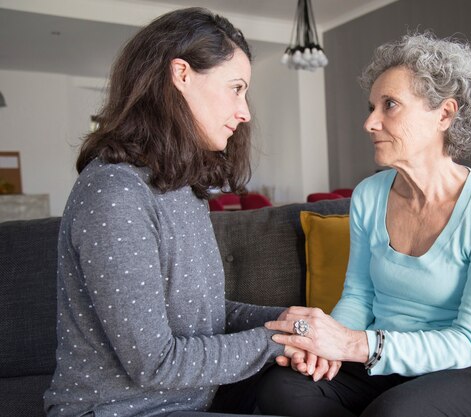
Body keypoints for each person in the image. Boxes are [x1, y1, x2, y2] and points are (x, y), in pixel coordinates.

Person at [43, 7, 322, 417]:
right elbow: (155, 362)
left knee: (319, 392)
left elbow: (203, 315)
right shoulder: (115, 193)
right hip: (121, 410)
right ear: (182, 75)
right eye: (236, 88)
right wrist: (284, 338)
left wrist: (291, 321)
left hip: (191, 398)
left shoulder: (178, 187)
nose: (244, 112)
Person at [257, 32, 471, 417]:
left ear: (445, 114)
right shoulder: (369, 195)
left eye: (390, 105)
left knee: (394, 415)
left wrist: (352, 346)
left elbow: (468, 342)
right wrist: (327, 348)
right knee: (281, 390)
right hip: (382, 360)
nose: (370, 122)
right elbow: (358, 296)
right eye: (371, 107)